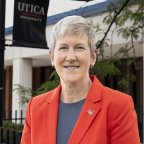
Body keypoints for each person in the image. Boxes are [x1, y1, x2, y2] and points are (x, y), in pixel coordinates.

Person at [21, 15, 140, 144]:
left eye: (79, 47)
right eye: (63, 48)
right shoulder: (36, 107)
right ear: (52, 57)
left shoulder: (118, 105)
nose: (71, 57)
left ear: (93, 56)